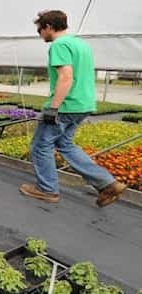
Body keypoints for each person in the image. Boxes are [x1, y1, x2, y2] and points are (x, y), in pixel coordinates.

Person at [19, 10, 127, 207]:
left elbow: (66, 77)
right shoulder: (81, 44)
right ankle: (107, 183)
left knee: (41, 146)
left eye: (40, 30)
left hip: (66, 106)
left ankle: (47, 190)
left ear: (49, 27)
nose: (40, 34)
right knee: (65, 144)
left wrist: (53, 108)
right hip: (83, 104)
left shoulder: (59, 45)